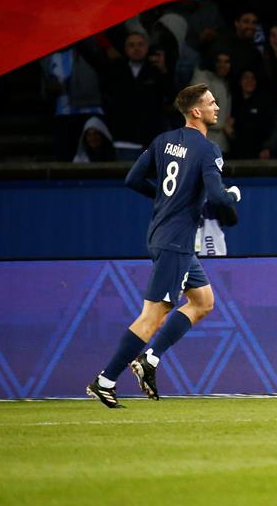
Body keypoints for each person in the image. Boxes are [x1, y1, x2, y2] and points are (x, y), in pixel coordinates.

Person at [86, 83, 241, 408]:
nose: (217, 107)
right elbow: (216, 196)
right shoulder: (208, 150)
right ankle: (105, 380)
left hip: (162, 234)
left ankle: (150, 360)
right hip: (176, 242)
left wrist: (165, 198)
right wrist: (233, 197)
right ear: (196, 111)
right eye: (211, 103)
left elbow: (133, 179)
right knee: (153, 316)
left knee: (203, 301)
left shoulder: (163, 141)